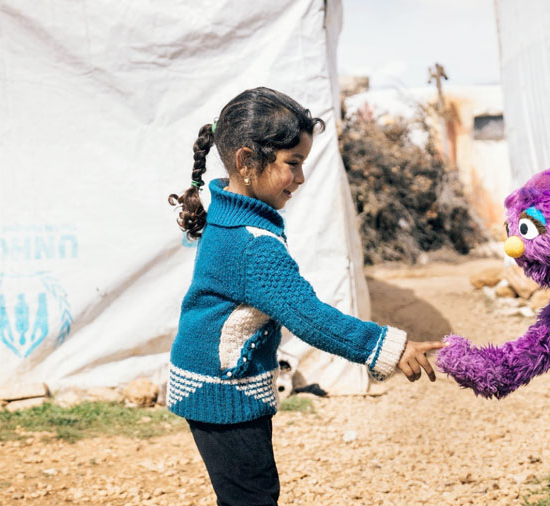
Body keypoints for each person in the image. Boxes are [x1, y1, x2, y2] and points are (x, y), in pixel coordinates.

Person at [167, 87, 444, 505]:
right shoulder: (252, 245)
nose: (300, 178)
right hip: (221, 389)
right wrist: (386, 346)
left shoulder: (227, 216)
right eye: (292, 164)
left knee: (246, 493)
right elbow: (309, 317)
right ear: (245, 161)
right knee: (253, 497)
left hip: (212, 381)